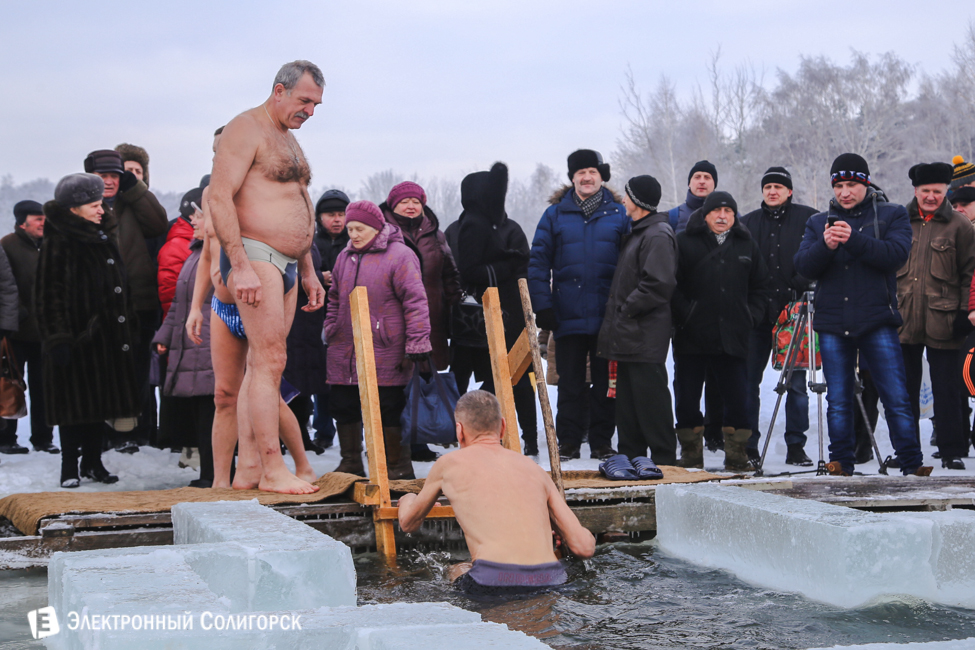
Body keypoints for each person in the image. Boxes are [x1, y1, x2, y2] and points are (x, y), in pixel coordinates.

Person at [206, 60, 326, 494]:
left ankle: (252, 469)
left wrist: (309, 268)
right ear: (279, 91)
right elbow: (219, 197)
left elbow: (298, 202)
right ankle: (274, 469)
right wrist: (238, 265)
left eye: (316, 105)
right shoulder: (244, 128)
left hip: (291, 262)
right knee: (270, 361)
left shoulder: (287, 140)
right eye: (304, 101)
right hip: (255, 255)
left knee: (265, 365)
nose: (310, 111)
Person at [794, 153, 931, 477]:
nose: (844, 191)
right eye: (839, 185)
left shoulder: (892, 214)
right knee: (838, 399)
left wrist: (853, 239)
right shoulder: (817, 222)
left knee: (895, 395)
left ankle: (911, 462)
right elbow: (801, 268)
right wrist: (825, 246)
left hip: (877, 320)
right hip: (831, 322)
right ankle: (841, 462)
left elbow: (896, 256)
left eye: (852, 184)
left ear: (865, 183)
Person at [398, 390, 595, 593]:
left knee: (457, 569)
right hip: (552, 581)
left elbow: (408, 523)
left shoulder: (448, 465)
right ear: (502, 427)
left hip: (492, 582)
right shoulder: (535, 470)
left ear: (459, 431)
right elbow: (583, 546)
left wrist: (408, 497)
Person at [36, 174, 139, 487]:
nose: (101, 209)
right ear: (73, 209)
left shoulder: (101, 236)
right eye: (94, 205)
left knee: (100, 403)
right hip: (77, 338)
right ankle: (69, 466)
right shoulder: (59, 241)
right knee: (73, 405)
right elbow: (48, 293)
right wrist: (59, 337)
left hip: (105, 337)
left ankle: (93, 462)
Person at [528, 149, 629, 460]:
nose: (587, 177)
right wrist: (542, 305)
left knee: (605, 385)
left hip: (607, 317)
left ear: (601, 176)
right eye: (580, 172)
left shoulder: (620, 214)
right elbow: (537, 263)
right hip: (566, 315)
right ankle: (569, 441)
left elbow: (632, 264)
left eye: (592, 172)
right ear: (572, 177)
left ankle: (601, 442)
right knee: (570, 385)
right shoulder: (555, 215)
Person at [324, 201, 432, 479]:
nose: (354, 235)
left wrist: (418, 342)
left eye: (359, 228)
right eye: (350, 229)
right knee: (344, 404)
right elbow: (334, 296)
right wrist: (331, 326)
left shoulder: (400, 255)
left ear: (375, 228)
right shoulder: (344, 257)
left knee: (388, 407)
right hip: (345, 346)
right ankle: (351, 462)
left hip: (386, 347)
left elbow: (416, 301)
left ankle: (397, 467)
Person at [671, 191, 768, 471]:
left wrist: (750, 316)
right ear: (705, 214)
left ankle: (737, 456)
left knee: (738, 398)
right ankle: (691, 455)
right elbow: (671, 284)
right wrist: (686, 313)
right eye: (716, 211)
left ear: (735, 216)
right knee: (687, 396)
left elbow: (761, 287)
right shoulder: (684, 242)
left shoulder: (746, 243)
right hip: (692, 335)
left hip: (734, 335)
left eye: (728, 211)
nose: (722, 216)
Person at [83, 148, 168, 453]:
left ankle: (137, 434)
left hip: (137, 302)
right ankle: (102, 438)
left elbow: (159, 224)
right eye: (101, 176)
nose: (108, 182)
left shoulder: (133, 203)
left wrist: (135, 189)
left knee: (136, 372)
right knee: (101, 373)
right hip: (97, 305)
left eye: (113, 176)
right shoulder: (80, 207)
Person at [451, 162, 538, 454]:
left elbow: (524, 267)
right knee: (475, 378)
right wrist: (506, 265)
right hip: (474, 319)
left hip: (508, 315)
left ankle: (529, 436)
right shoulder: (465, 227)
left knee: (516, 377)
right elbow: (464, 270)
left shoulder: (508, 228)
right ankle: (474, 434)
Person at [898, 163, 975, 471]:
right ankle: (907, 450)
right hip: (903, 318)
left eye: (937, 192)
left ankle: (952, 449)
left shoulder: (960, 225)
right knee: (904, 392)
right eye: (925, 191)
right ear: (916, 191)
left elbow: (969, 272)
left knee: (947, 390)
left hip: (945, 320)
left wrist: (964, 312)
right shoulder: (898, 220)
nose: (931, 197)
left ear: (947, 192)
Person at [597, 175, 678, 466]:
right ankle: (631, 458)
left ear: (639, 202)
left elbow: (658, 283)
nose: (623, 200)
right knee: (629, 405)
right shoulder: (640, 232)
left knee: (651, 402)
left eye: (628, 195)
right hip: (630, 335)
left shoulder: (656, 234)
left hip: (643, 334)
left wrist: (626, 309)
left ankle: (665, 460)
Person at [740, 167, 818, 466]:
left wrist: (800, 281)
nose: (772, 191)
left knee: (797, 385)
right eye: (768, 186)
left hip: (795, 315)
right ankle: (748, 446)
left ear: (789, 191)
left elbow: (821, 254)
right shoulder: (746, 223)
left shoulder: (809, 218)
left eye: (778, 187)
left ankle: (796, 445)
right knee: (748, 383)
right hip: (757, 317)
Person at [380, 181, 461, 462]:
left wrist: (456, 302)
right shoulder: (383, 234)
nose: (411, 206)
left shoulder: (435, 235)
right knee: (394, 380)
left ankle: (419, 437)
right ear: (393, 205)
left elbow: (449, 274)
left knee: (425, 376)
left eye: (416, 201)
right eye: (405, 202)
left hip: (431, 316)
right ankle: (390, 442)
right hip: (393, 317)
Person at [152, 202, 216, 487]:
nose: (193, 221)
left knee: (211, 412)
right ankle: (208, 472)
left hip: (210, 343)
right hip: (191, 342)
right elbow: (180, 304)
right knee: (199, 413)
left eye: (199, 216)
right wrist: (164, 336)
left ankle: (214, 474)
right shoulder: (194, 254)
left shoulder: (219, 254)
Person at [1, 201, 56, 454]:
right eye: (38, 219)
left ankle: (43, 439)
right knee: (10, 384)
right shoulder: (7, 245)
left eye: (44, 219)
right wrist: (18, 313)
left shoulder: (51, 246)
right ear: (22, 222)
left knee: (44, 387)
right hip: (16, 331)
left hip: (46, 332)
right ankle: (6, 438)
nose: (43, 223)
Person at [311, 188, 351, 448]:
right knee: (320, 377)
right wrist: (317, 276)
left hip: (349, 318)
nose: (337, 220)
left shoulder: (355, 241)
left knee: (350, 377)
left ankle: (353, 431)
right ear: (319, 218)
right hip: (317, 318)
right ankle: (323, 430)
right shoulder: (311, 243)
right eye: (330, 215)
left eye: (341, 214)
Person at [284, 242, 329, 456]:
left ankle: (302, 436)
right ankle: (286, 437)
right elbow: (284, 274)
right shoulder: (279, 238)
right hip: (289, 322)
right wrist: (320, 278)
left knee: (303, 388)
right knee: (288, 385)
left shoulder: (310, 242)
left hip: (308, 324)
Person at [158, 188, 202, 319]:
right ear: (192, 217)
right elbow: (169, 295)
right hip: (185, 323)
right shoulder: (175, 247)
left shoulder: (201, 241)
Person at [668, 160, 718, 234]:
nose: (702, 181)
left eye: (707, 177)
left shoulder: (729, 216)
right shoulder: (672, 217)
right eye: (697, 177)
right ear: (689, 183)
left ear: (714, 184)